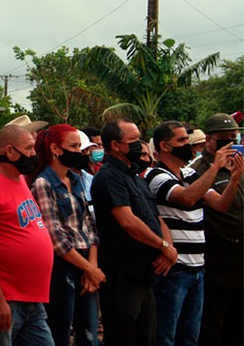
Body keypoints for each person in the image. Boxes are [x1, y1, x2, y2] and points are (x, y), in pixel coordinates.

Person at [146, 120, 242, 346]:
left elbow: (220, 204)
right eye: (181, 140)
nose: (187, 145)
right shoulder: (156, 175)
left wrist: (236, 177)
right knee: (166, 334)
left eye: (187, 140)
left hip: (198, 267)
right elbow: (188, 197)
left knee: (190, 336)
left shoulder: (189, 173)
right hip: (175, 269)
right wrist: (215, 167)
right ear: (165, 146)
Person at [91, 119, 176, 346]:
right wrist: (163, 247)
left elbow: (155, 217)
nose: (139, 144)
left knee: (146, 336)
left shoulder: (136, 177)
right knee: (124, 336)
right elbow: (128, 222)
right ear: (116, 145)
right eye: (133, 140)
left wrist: (169, 249)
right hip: (123, 275)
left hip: (145, 274)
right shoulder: (109, 177)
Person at [0, 125, 55, 346]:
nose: (34, 154)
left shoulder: (19, 179)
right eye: (28, 148)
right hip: (4, 298)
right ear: (10, 151)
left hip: (31, 299)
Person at [30, 125, 103, 346]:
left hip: (85, 261)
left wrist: (92, 265)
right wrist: (90, 269)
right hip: (63, 265)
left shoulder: (77, 179)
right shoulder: (43, 183)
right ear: (55, 149)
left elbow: (89, 225)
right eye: (73, 146)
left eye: (80, 146)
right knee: (60, 331)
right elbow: (55, 236)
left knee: (89, 333)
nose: (79, 152)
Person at [190, 113, 244, 346]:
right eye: (223, 138)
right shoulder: (199, 169)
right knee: (213, 323)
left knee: (238, 324)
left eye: (234, 136)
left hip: (240, 258)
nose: (230, 141)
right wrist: (228, 174)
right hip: (217, 257)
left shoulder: (240, 161)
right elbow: (220, 206)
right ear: (209, 140)